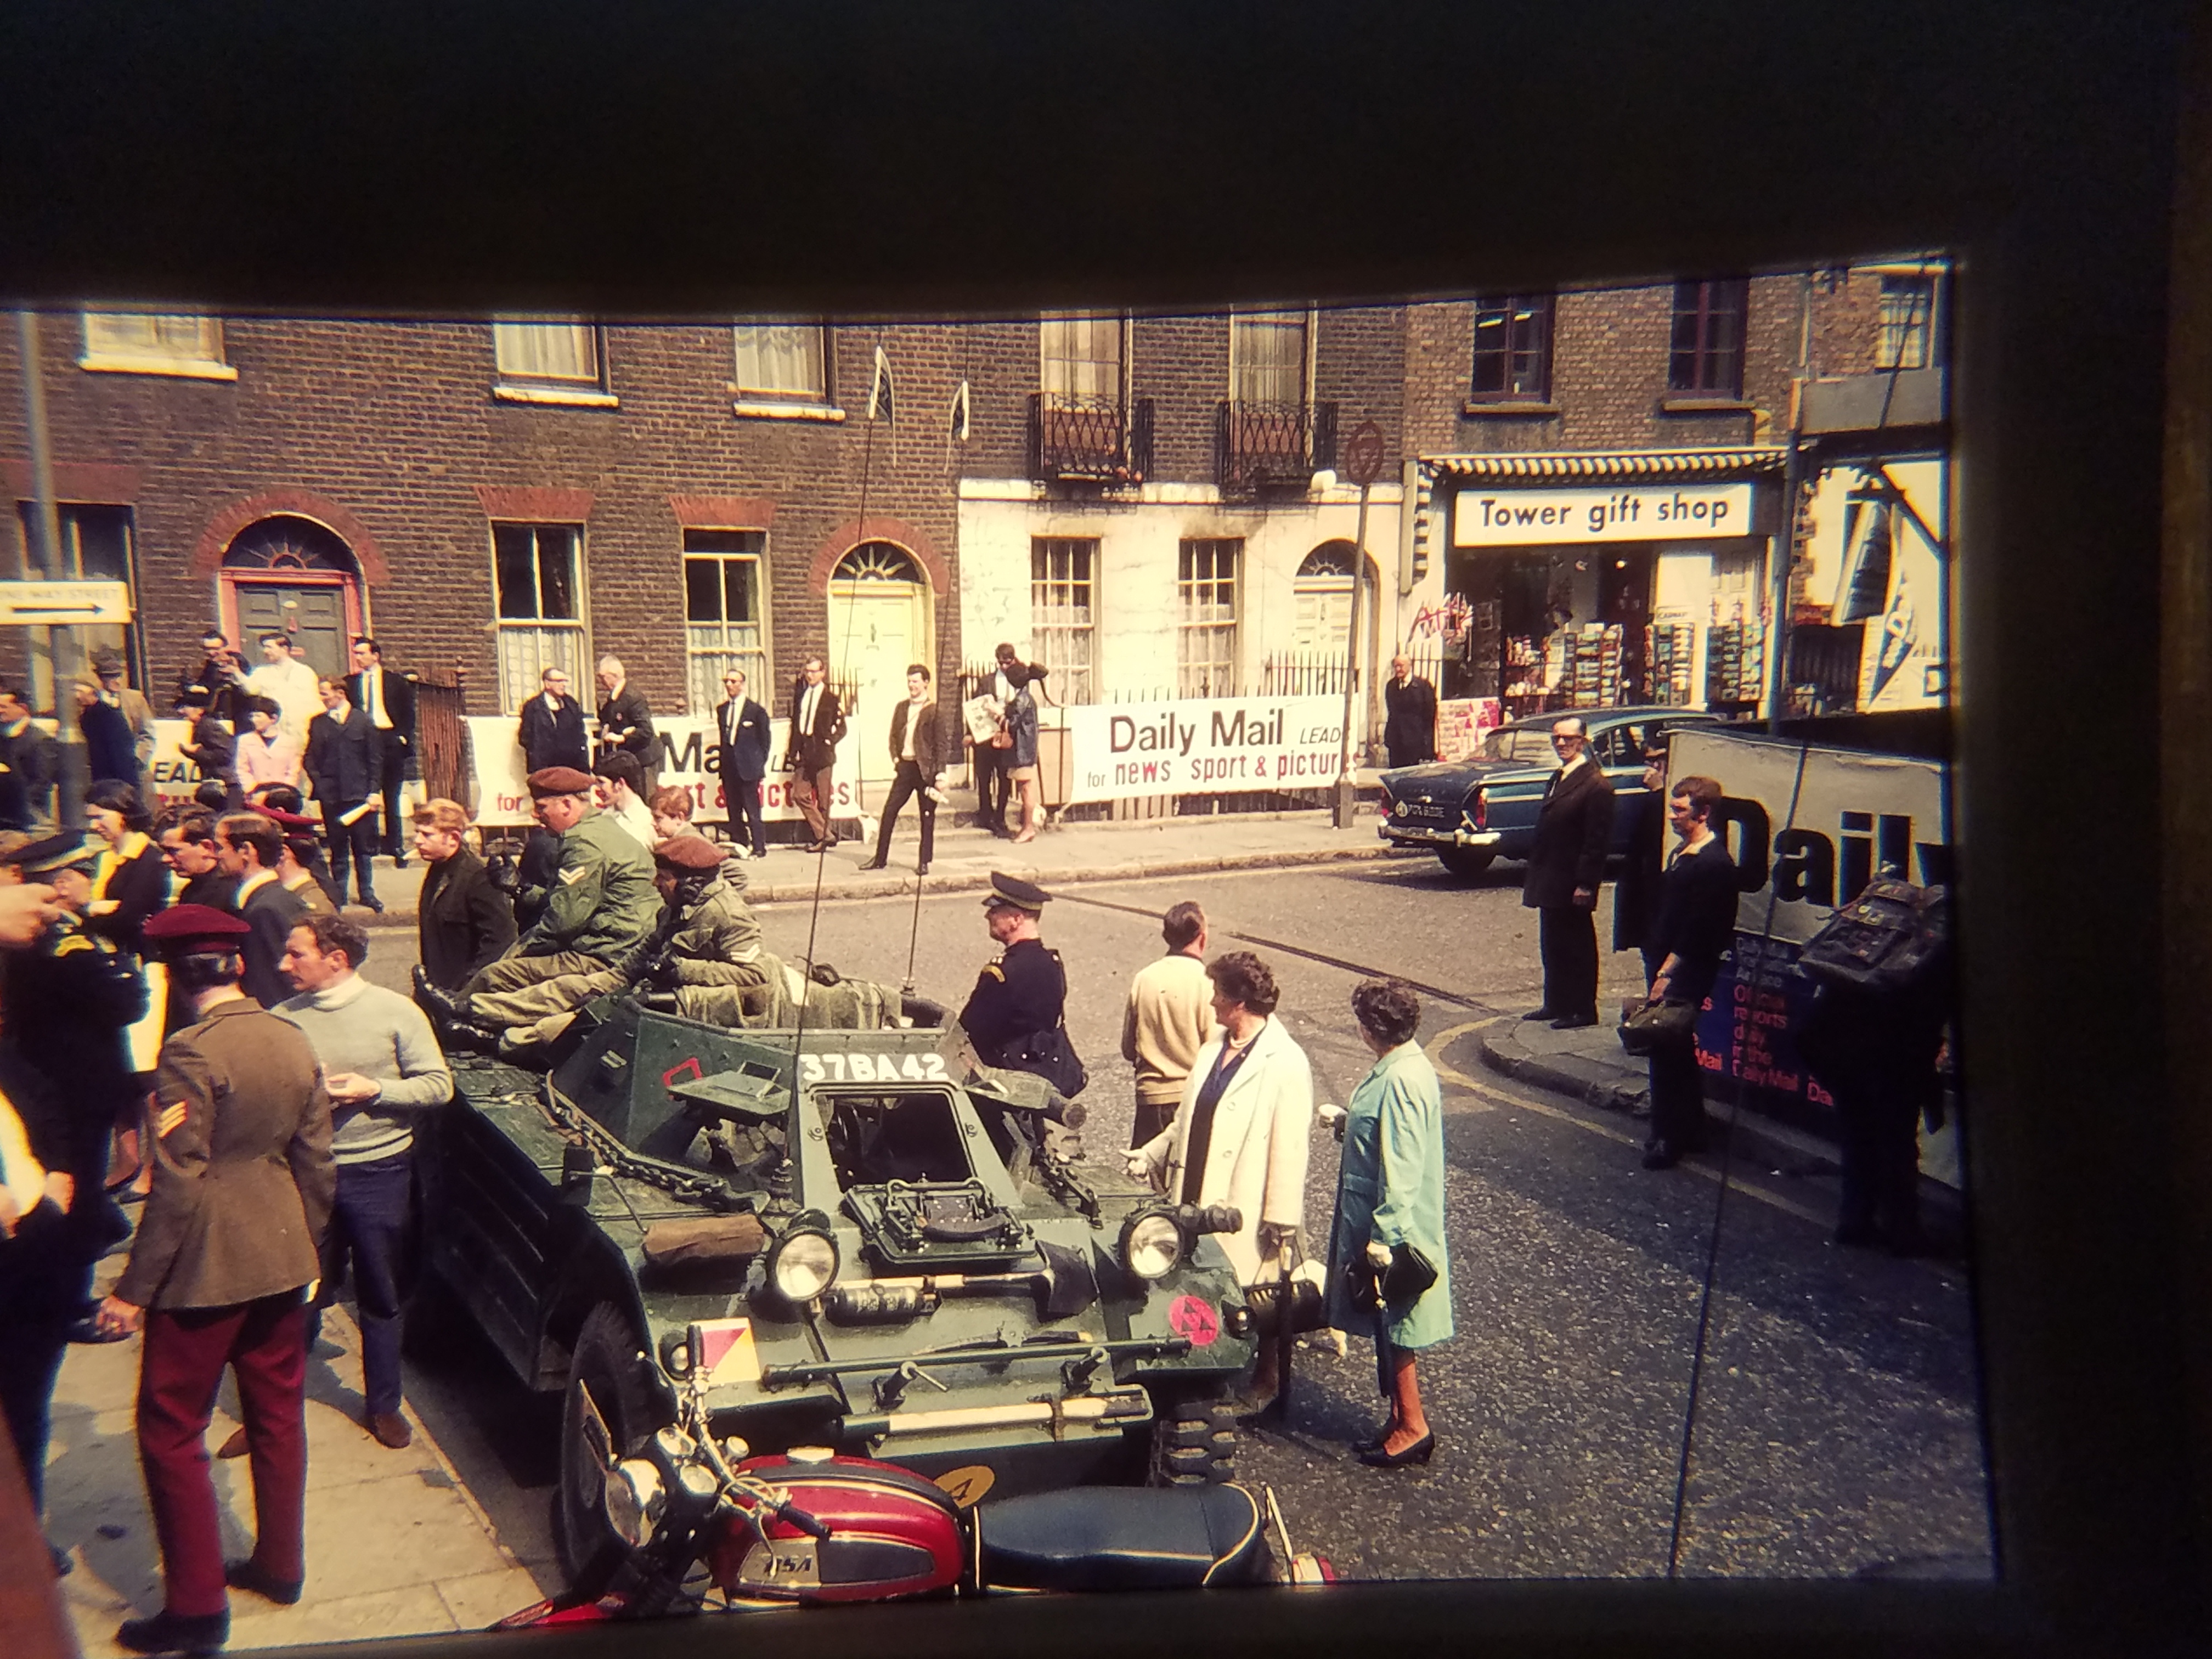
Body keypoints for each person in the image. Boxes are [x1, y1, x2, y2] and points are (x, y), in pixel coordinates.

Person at [92, 904, 334, 1656]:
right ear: (234, 964)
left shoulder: (189, 1055)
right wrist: (306, 1247)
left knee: (170, 1429)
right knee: (276, 1414)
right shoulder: (291, 1037)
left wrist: (133, 1288)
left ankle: (196, 1608)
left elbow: (178, 1183)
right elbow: (317, 1162)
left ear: (174, 972)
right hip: (283, 1254)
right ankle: (281, 1565)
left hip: (205, 1270)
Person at [273, 914, 451, 1452]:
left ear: (337, 959)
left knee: (381, 1293)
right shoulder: (282, 1019)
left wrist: (373, 1090)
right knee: (294, 1295)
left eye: (296, 954)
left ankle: (384, 1406)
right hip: (308, 1177)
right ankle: (274, 1412)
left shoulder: (397, 1013)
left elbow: (438, 1086)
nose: (283, 965)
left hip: (380, 1174)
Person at [1125, 951, 1313, 1412]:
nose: (1210, 1002)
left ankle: (1266, 1378)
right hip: (1195, 1188)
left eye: (1217, 994)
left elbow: (1291, 1146)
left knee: (1259, 1294)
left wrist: (1282, 1217)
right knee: (1195, 1280)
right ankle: (1200, 1370)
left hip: (1242, 1199)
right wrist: (1151, 1152)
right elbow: (1188, 1119)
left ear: (1239, 1002)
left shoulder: (1285, 1060)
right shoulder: (1213, 1049)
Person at [1, 834, 148, 1345]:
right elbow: (128, 1002)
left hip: (72, 1085)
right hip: (71, 1090)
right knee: (76, 1197)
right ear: (63, 882)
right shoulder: (63, 945)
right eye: (85, 873)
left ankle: (68, 1295)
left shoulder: (67, 937)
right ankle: (64, 1306)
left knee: (81, 1194)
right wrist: (128, 974)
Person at [419, 768, 659, 1047]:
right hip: (621, 945)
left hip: (606, 953)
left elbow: (563, 922)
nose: (535, 814)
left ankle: (455, 1032)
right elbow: (570, 899)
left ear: (567, 805)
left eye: (543, 807)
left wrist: (515, 953)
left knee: (496, 976)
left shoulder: (584, 843)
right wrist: (521, 889)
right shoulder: (603, 829)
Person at [1325, 977, 1452, 1468]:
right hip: (1388, 1219)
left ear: (1370, 1029)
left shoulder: (1399, 1079)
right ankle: (1400, 1418)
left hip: (1393, 1227)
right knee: (1391, 1327)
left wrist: (1384, 1238)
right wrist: (1344, 1122)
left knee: (1399, 1328)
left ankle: (1414, 1427)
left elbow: (1401, 1164)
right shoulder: (1403, 1066)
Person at [0, 1040, 96, 1573]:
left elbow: (51, 1111)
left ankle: (25, 1534)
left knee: (28, 1409)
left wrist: (58, 1177)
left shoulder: (9, 1062)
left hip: (33, 1260)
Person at [1636, 774, 1738, 1170]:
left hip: (1685, 969)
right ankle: (1693, 1130)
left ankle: (1666, 1138)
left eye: (1680, 811)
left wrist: (1666, 971)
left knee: (1665, 1049)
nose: (1672, 817)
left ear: (1704, 812)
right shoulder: (1683, 852)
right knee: (1676, 1047)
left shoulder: (1714, 864)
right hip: (1667, 962)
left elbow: (1700, 927)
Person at [1520, 716, 1615, 1030]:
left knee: (1578, 946)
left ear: (1584, 741)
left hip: (1573, 880)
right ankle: (1556, 1002)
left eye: (1568, 738)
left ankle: (1582, 1009)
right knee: (1553, 943)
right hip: (1551, 876)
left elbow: (1596, 841)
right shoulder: (1558, 776)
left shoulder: (1596, 785)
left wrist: (1586, 884)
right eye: (1557, 738)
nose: (1561, 744)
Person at [957, 872, 1073, 1082]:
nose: (988, 916)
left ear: (1016, 919)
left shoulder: (1003, 972)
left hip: (999, 1076)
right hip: (1038, 1068)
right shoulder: (1052, 963)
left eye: (996, 910)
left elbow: (969, 1031)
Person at [1120, 900, 1215, 1149]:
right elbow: (1215, 1050)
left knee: (1150, 1178)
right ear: (1202, 939)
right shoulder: (1208, 983)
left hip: (1151, 1099)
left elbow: (1129, 1048)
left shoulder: (1145, 978)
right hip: (1192, 1096)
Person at [412, 798, 516, 994]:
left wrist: (467, 989)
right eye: (417, 833)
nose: (418, 841)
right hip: (439, 988)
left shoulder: (476, 878)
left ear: (453, 838)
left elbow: (500, 941)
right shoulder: (439, 869)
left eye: (427, 835)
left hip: (463, 994)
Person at [304, 676, 385, 911]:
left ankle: (367, 893)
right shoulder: (318, 723)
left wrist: (374, 791)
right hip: (332, 796)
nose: (323, 698)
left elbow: (375, 760)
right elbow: (310, 758)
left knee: (362, 848)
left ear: (340, 693)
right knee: (338, 848)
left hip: (359, 796)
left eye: (326, 693)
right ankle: (338, 894)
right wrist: (320, 784)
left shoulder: (363, 722)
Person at [214, 812, 309, 1008]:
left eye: (220, 847)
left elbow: (272, 990)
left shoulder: (263, 911)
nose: (215, 855)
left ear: (246, 851)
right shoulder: (278, 898)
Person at [860, 663, 943, 875]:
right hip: (906, 768)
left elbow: (941, 744)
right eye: (909, 681)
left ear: (926, 682)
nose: (911, 685)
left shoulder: (934, 710)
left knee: (926, 816)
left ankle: (924, 861)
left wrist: (941, 774)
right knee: (889, 812)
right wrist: (896, 759)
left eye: (916, 681)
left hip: (925, 771)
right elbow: (894, 736)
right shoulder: (901, 707)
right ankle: (880, 859)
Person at [346, 638, 416, 867]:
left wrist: (402, 736)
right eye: (355, 653)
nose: (358, 657)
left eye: (362, 653)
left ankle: (395, 844)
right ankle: (371, 843)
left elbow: (408, 712)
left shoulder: (395, 682)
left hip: (389, 738)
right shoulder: (351, 683)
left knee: (391, 794)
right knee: (368, 792)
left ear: (375, 655)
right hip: (362, 740)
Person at [1611, 740, 1672, 992]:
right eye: (1650, 761)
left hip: (1666, 895)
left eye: (1660, 761)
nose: (1653, 768)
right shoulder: (1653, 798)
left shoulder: (1670, 799)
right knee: (1651, 956)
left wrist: (1660, 793)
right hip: (1646, 893)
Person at [85, 780, 169, 956]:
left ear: (124, 813)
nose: (93, 827)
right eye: (90, 819)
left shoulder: (149, 859)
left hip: (138, 955)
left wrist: (87, 911)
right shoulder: (102, 857)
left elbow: (129, 917)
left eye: (99, 818)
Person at [783, 656, 845, 852]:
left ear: (822, 673)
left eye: (814, 671)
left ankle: (821, 840)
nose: (810, 675)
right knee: (799, 794)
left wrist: (829, 741)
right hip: (804, 751)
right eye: (808, 672)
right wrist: (793, 750)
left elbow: (841, 727)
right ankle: (825, 835)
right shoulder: (801, 695)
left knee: (824, 798)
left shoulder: (831, 698)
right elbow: (796, 724)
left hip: (822, 752)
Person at [712, 668, 771, 859]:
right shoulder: (722, 710)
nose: (730, 685)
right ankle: (740, 843)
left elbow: (765, 741)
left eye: (734, 681)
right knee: (733, 808)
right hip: (730, 766)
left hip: (748, 767)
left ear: (742, 684)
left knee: (752, 809)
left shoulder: (756, 711)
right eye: (727, 681)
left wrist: (757, 763)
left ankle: (759, 846)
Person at [594, 655, 659, 795]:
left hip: (644, 760)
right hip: (629, 761)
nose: (601, 681)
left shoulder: (633, 697)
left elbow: (646, 731)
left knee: (644, 799)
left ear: (614, 676)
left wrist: (622, 738)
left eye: (603, 677)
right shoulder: (613, 698)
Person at [243, 633, 321, 744]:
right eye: (264, 648)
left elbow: (314, 704)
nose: (265, 651)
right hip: (275, 730)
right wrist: (236, 672)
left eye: (269, 647)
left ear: (284, 648)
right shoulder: (261, 673)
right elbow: (249, 689)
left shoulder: (304, 672)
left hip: (301, 730)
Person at [0, 683, 58, 831]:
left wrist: (17, 802)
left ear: (23, 708)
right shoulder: (4, 736)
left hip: (26, 815)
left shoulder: (38, 740)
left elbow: (41, 781)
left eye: (3, 707)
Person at [95, 652, 159, 778]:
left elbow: (147, 732)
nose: (117, 681)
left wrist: (138, 759)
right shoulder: (95, 701)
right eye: (111, 677)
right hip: (104, 768)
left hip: (132, 767)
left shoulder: (135, 699)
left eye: (119, 676)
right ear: (101, 678)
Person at [517, 665, 589, 775]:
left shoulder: (571, 705)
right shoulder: (533, 707)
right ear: (547, 684)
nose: (563, 685)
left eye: (565, 681)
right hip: (544, 768)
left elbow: (580, 733)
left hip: (571, 766)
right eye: (559, 681)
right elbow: (525, 738)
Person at [159, 812, 237, 914]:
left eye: (173, 851)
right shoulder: (193, 890)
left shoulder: (228, 894)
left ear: (206, 847)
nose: (165, 859)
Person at [175, 692, 240, 812]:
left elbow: (226, 755)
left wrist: (197, 751)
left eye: (185, 708)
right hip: (216, 785)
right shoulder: (201, 726)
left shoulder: (209, 726)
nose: (181, 712)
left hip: (226, 787)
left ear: (200, 710)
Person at [1003, 664, 1043, 845]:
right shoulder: (1025, 697)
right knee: (1024, 790)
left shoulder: (1023, 699)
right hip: (1025, 750)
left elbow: (1012, 723)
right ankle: (1027, 826)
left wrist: (998, 715)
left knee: (1026, 790)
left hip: (1023, 751)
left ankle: (1028, 828)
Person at [75, 676, 139, 789]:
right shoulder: (85, 716)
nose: (77, 696)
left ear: (91, 691)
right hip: (99, 779)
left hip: (112, 780)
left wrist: (127, 786)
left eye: (80, 691)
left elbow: (122, 753)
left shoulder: (108, 716)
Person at [234, 697, 303, 799]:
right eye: (252, 716)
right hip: (255, 795)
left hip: (284, 795)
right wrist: (253, 790)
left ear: (273, 718)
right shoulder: (245, 740)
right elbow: (242, 768)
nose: (254, 720)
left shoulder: (290, 742)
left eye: (258, 716)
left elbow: (294, 771)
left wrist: (285, 790)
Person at [180, 630, 249, 728]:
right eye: (207, 649)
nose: (212, 653)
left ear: (225, 647)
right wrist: (192, 688)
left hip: (237, 713)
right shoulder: (198, 666)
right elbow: (187, 686)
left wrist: (235, 673)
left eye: (216, 649)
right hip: (209, 716)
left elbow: (248, 684)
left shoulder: (237, 662)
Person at [1382, 654, 1439, 769]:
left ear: (1410, 666)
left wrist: (1426, 743)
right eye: (1396, 666)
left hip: (1415, 740)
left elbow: (1429, 715)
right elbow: (1392, 711)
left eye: (1401, 666)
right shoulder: (1391, 686)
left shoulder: (1423, 686)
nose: (1398, 669)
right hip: (1396, 740)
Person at [592, 749, 657, 848]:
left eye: (601, 783)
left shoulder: (644, 823)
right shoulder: (605, 816)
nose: (597, 789)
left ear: (619, 784)